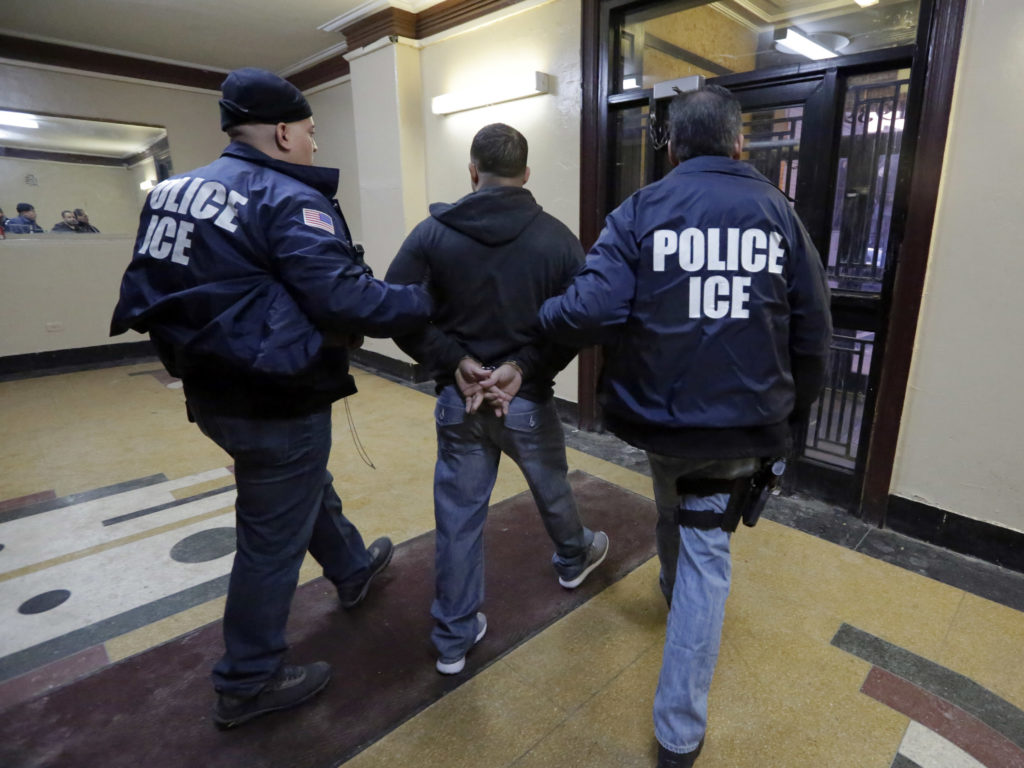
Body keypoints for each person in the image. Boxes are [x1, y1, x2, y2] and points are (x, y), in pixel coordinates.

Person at [110, 67, 433, 729]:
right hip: (274, 393)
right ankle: (247, 679)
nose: (315, 146)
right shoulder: (286, 196)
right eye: (312, 134)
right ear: (284, 132)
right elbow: (345, 297)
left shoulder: (173, 190)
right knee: (270, 535)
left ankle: (350, 568)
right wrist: (428, 300)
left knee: (293, 484)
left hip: (209, 390)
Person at [538, 85, 832, 767]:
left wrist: (539, 322)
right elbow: (814, 334)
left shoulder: (641, 209)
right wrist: (792, 423)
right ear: (738, 144)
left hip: (660, 419)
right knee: (703, 547)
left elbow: (591, 312)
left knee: (679, 505)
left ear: (671, 145)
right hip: (742, 426)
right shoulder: (778, 214)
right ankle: (679, 731)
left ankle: (676, 620)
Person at [385, 123, 609, 675]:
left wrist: (453, 361)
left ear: (472, 170)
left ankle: (454, 637)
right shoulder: (558, 239)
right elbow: (578, 325)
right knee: (553, 487)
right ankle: (575, 556)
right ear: (526, 175)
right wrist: (520, 368)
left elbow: (392, 309)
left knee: (458, 517)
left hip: (459, 401)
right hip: (526, 401)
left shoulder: (432, 235)